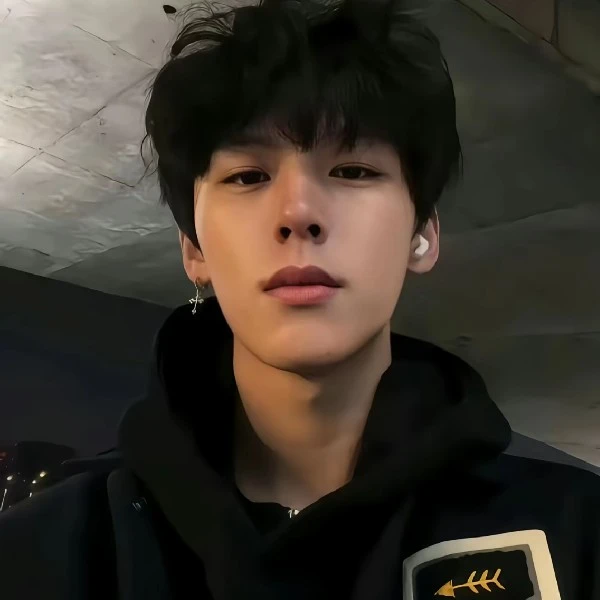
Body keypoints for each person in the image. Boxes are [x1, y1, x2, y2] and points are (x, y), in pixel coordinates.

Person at [1, 0, 598, 598]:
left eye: (354, 170)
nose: (298, 211)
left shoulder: (578, 533)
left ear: (422, 234)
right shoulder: (47, 550)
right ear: (194, 249)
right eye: (247, 176)